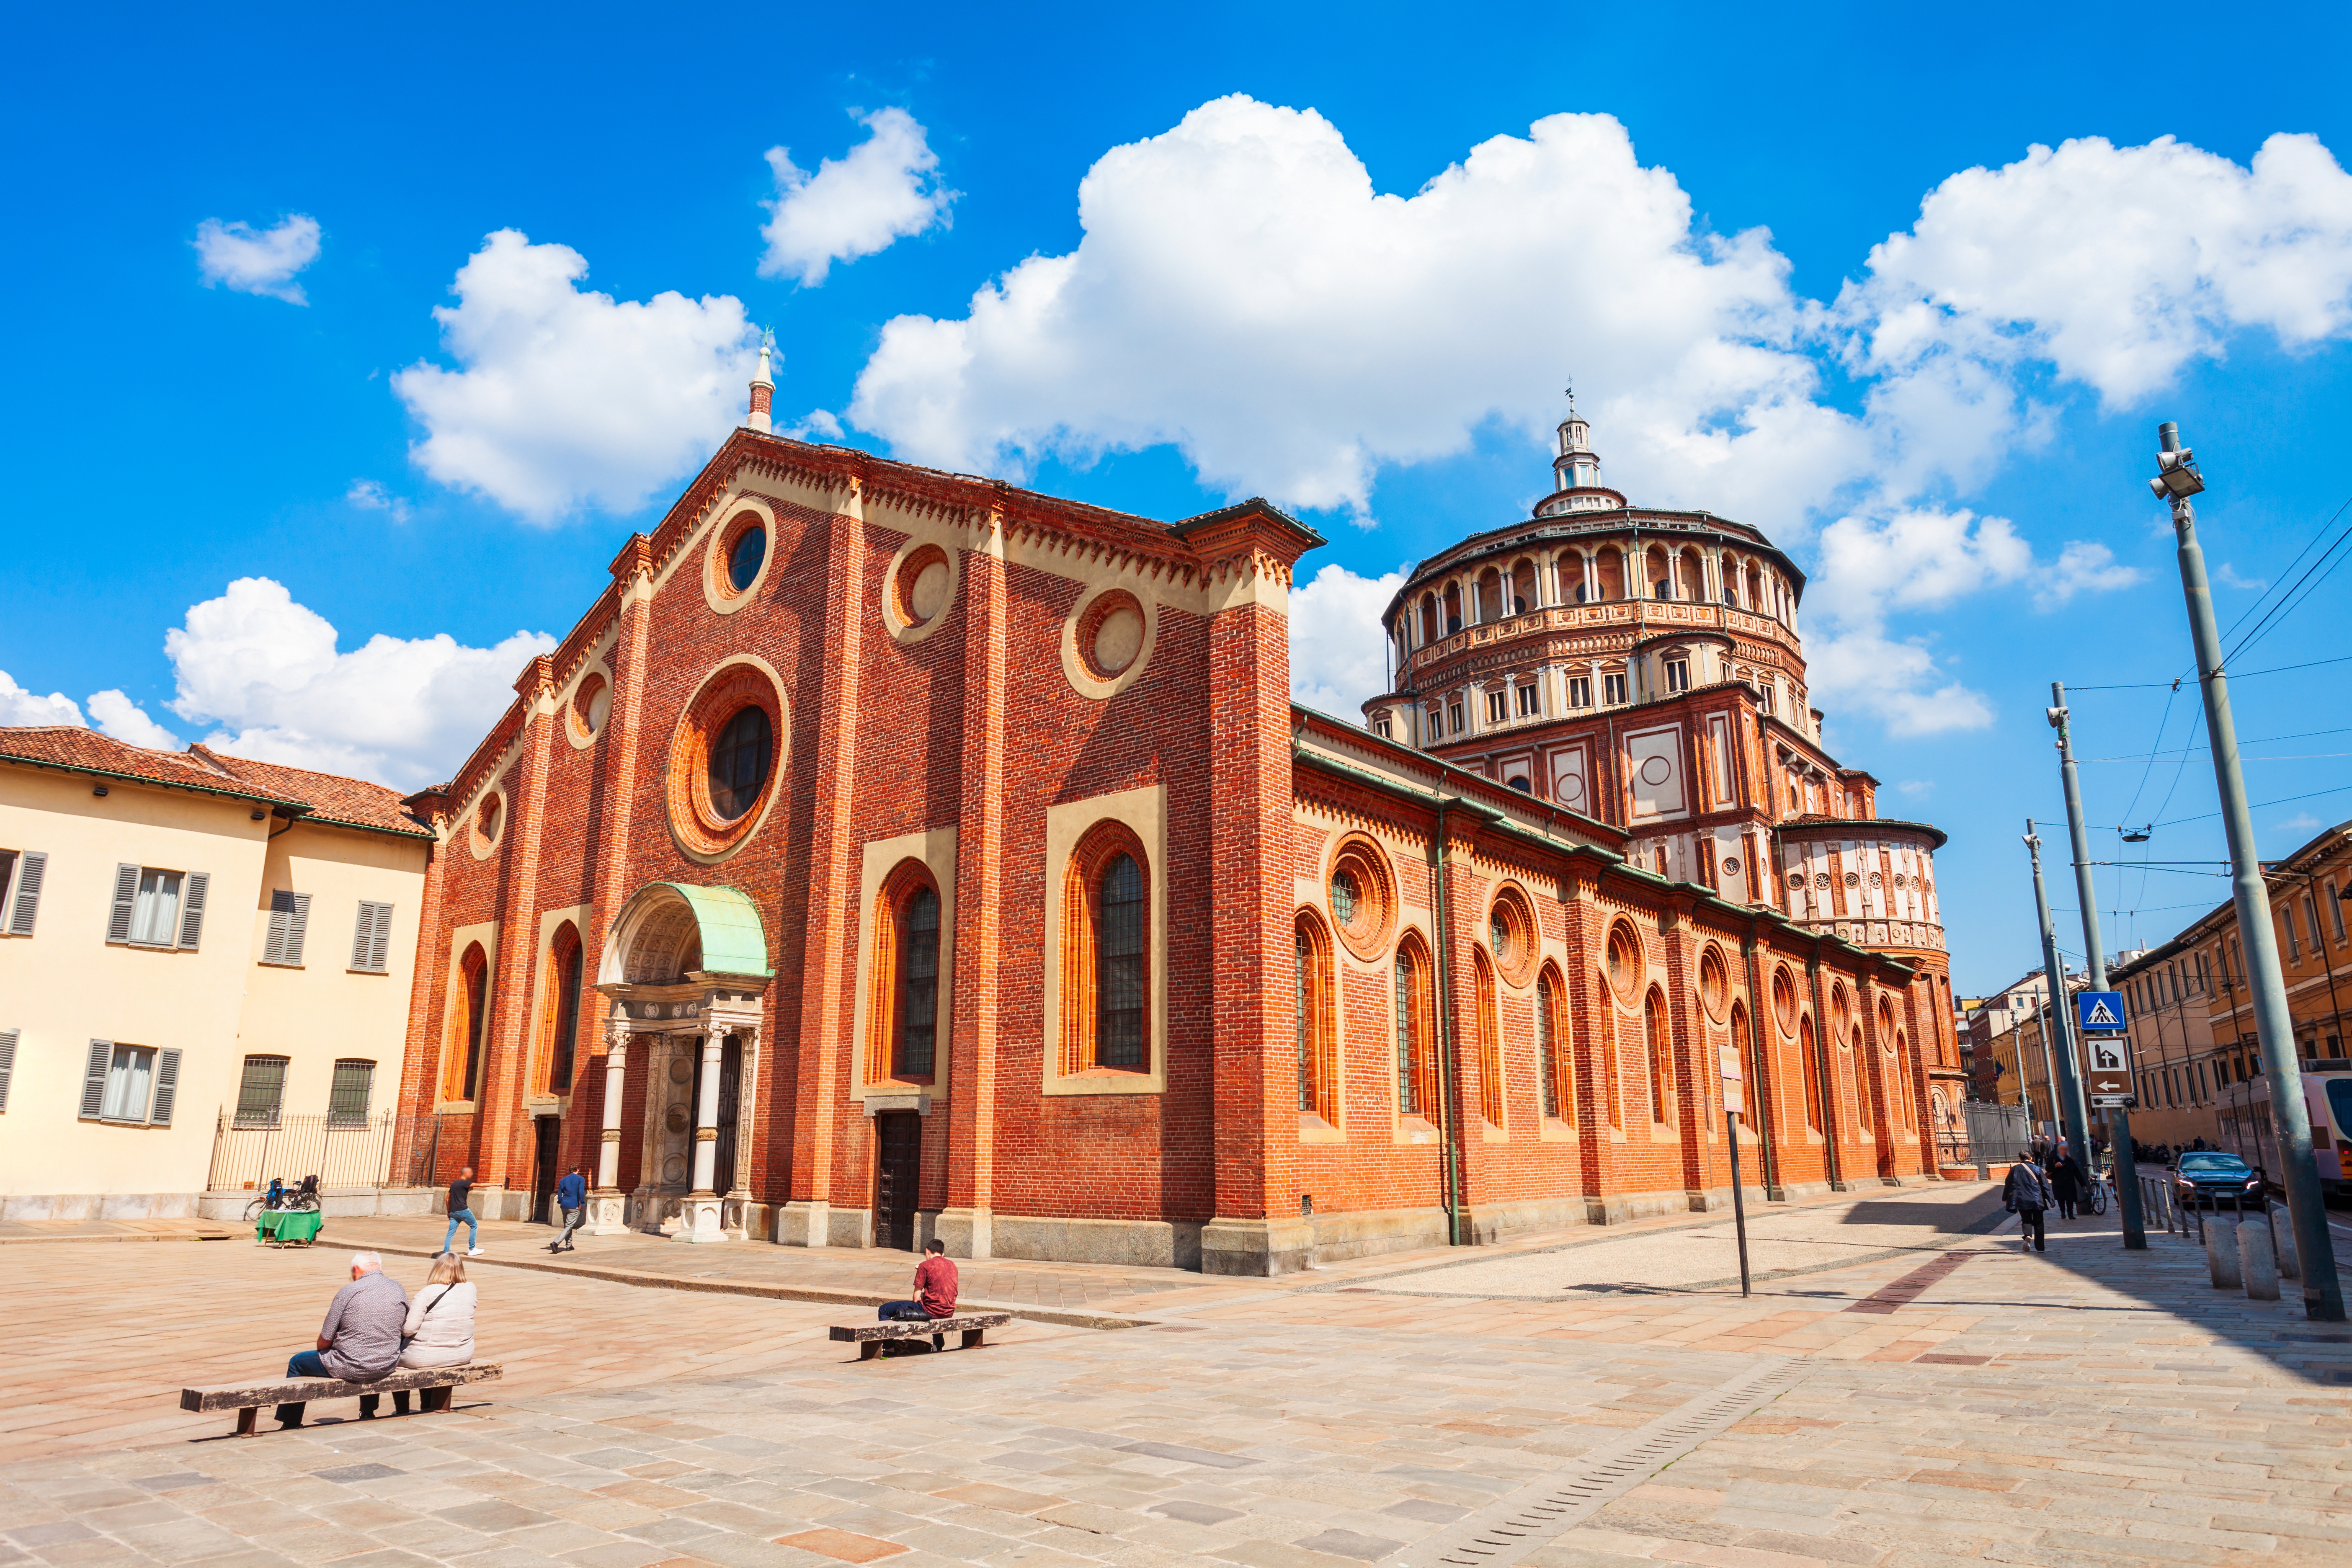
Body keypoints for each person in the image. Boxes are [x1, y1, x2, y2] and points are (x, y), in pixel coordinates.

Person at [274, 1251, 407, 1428]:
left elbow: (325, 1340)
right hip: (387, 1363)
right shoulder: (398, 1288)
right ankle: (368, 1412)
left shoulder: (348, 1291)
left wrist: (327, 1346)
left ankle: (291, 1421)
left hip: (351, 1365)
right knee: (370, 1351)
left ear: (355, 1270)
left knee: (297, 1362)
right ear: (380, 1268)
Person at [875, 1238, 958, 1352]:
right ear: (942, 1254)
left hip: (931, 1311)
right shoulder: (952, 1265)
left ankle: (889, 1348)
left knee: (884, 1310)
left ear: (928, 1252)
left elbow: (915, 1298)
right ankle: (938, 1345)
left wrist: (920, 1274)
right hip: (948, 1311)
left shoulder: (925, 1266)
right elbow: (938, 1292)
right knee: (938, 1306)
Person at [2004, 1158, 2054, 1253]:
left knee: (2026, 1220)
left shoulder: (2015, 1169)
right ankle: (2040, 1248)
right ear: (2031, 1158)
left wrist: (2006, 1197)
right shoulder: (2037, 1169)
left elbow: (2008, 1183)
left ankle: (2028, 1235)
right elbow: (2045, 1185)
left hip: (2022, 1199)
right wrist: (2051, 1200)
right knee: (2039, 1223)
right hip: (2037, 1199)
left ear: (2020, 1159)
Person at [442, 1166, 482, 1256]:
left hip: (453, 1212)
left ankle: (446, 1252)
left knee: (450, 1233)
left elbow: (447, 1199)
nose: (472, 1174)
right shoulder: (465, 1183)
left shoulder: (454, 1184)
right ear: (466, 1174)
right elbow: (481, 1185)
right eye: (470, 1173)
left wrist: (449, 1212)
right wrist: (496, 1184)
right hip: (463, 1210)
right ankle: (472, 1249)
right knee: (474, 1225)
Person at [548, 1166, 586, 1253]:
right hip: (574, 1205)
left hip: (564, 1205)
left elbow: (559, 1193)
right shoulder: (580, 1179)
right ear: (578, 1170)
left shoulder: (563, 1180)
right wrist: (581, 1203)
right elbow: (581, 1192)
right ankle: (556, 1243)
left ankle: (569, 1245)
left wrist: (561, 1201)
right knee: (569, 1226)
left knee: (568, 1226)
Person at [2050, 1151, 2085, 1220]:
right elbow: (2048, 1168)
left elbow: (2077, 1172)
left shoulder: (2070, 1160)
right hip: (2058, 1184)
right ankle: (2063, 1212)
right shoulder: (2053, 1160)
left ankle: (2070, 1214)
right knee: (2061, 1199)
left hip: (2069, 1183)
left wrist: (2083, 1184)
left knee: (2070, 1199)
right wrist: (2056, 1166)